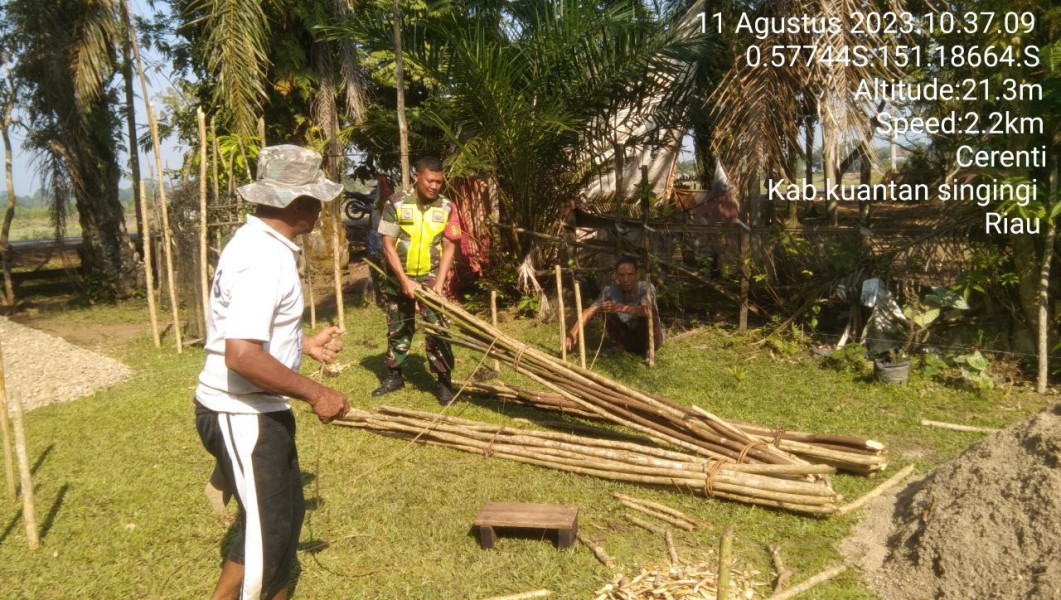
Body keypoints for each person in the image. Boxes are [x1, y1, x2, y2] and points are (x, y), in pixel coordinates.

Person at [195, 144, 351, 600]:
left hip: (258, 408)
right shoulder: (263, 257)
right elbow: (241, 355)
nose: (322, 208)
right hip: (241, 413)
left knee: (279, 517)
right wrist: (317, 394)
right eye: (317, 197)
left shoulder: (262, 246)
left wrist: (300, 344)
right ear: (295, 202)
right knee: (270, 532)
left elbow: (244, 332)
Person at [372, 156, 461, 405]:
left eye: (439, 182)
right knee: (398, 325)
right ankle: (394, 375)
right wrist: (403, 280)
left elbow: (449, 247)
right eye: (430, 181)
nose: (434, 186)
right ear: (416, 176)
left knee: (438, 329)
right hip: (399, 275)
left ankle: (444, 382)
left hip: (431, 277)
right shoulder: (397, 202)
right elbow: (387, 245)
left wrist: (440, 283)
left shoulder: (446, 207)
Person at [566, 256, 665, 356]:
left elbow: (646, 311)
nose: (626, 279)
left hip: (650, 338)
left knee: (650, 311)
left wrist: (618, 307)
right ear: (617, 276)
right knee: (606, 306)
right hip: (627, 337)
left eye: (630, 274)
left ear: (637, 275)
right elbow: (590, 310)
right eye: (622, 275)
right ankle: (619, 347)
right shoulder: (610, 291)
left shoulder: (646, 287)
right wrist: (573, 332)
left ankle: (649, 351)